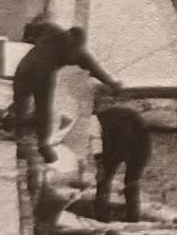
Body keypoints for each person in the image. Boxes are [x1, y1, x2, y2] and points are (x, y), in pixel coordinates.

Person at [8, 24, 122, 173]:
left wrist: (28, 37)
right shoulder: (74, 48)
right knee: (41, 111)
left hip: (24, 71)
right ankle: (36, 145)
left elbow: (35, 25)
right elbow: (95, 69)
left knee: (29, 110)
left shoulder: (54, 32)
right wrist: (113, 84)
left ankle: (27, 146)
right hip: (39, 73)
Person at [92, 105, 152, 223]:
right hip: (138, 141)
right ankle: (133, 217)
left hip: (130, 140)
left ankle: (101, 217)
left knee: (105, 180)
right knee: (131, 181)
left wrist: (101, 163)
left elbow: (97, 143)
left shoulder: (97, 120)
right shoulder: (122, 117)